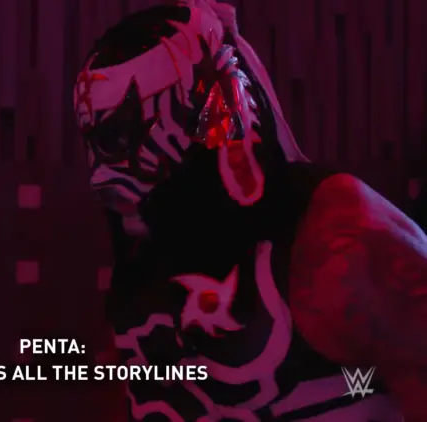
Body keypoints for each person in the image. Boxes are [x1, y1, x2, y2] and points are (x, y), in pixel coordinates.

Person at [74, 1, 425, 420]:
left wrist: (353, 387)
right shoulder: (144, 269)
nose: (100, 175)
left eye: (118, 138)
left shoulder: (340, 244)